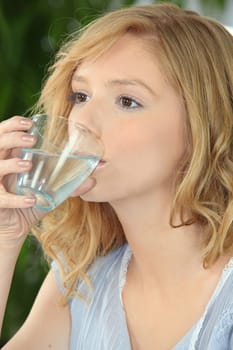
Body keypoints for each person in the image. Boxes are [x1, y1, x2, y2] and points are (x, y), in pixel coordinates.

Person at [0, 3, 233, 349]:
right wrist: (6, 237)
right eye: (80, 95)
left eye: (127, 101)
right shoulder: (79, 282)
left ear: (204, 127)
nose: (81, 121)